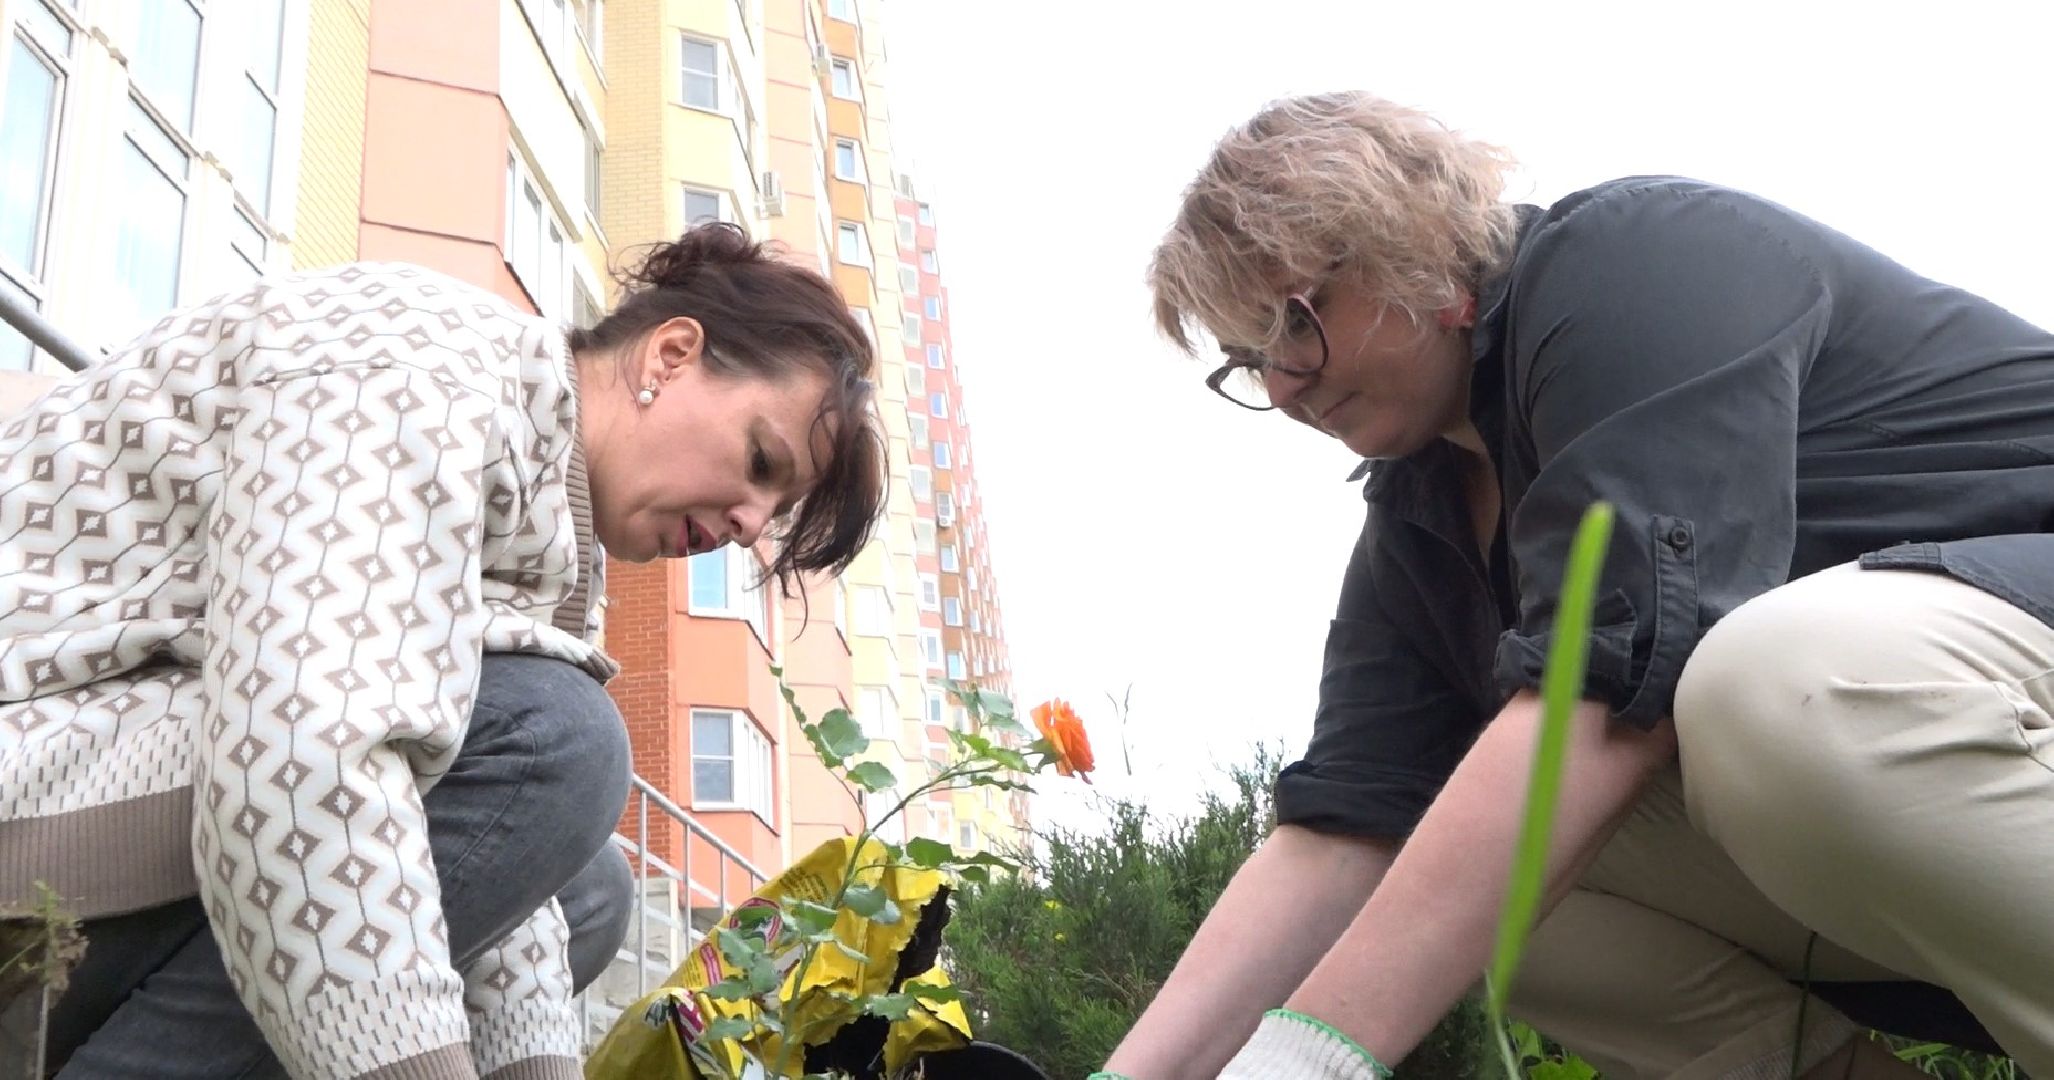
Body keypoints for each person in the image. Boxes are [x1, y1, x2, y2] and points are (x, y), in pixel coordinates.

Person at [1096, 92, 2054, 1080]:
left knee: (1772, 679)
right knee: (1457, 878)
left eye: (1293, 322)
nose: (1283, 384)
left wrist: (1303, 1062)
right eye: (1249, 357)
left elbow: (1616, 678)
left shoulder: (1636, 264)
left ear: (1414, 247)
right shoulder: (1421, 512)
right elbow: (1346, 829)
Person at [0, 222, 884, 1079]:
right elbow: (304, 755)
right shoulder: (417, 371)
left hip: (103, 804)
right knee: (560, 742)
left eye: (775, 512)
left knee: (587, 888)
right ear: (670, 356)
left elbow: (483, 845)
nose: (750, 526)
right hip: (30, 776)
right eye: (761, 462)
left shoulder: (543, 519)